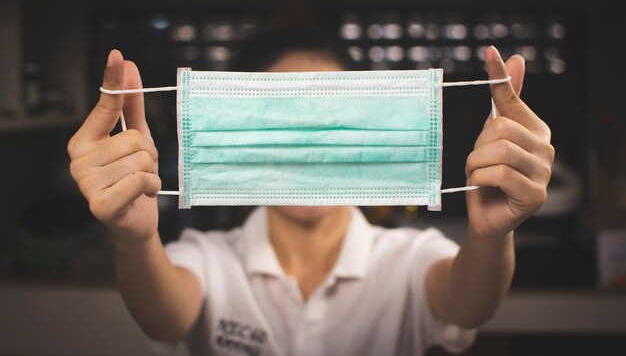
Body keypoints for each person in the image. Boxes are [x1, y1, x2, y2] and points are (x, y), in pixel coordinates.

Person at [67, 27, 554, 356]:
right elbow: (165, 319)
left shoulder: (408, 257)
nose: (309, 139)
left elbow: (466, 303)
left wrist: (491, 236)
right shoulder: (209, 258)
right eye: (285, 117)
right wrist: (134, 240)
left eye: (329, 115)